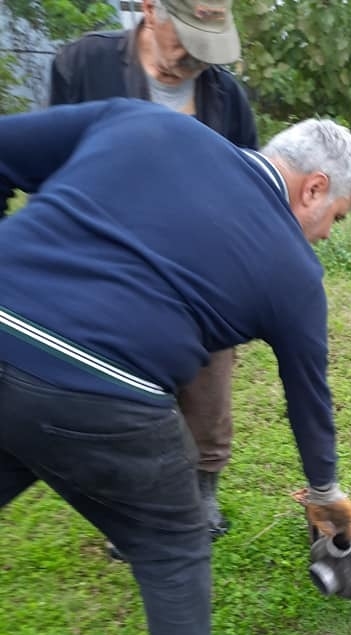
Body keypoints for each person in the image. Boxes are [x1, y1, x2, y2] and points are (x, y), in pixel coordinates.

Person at [0, 98, 351, 635]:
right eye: (331, 219)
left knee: (25, 432)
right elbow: (309, 398)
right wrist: (325, 492)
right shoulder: (295, 272)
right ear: (313, 187)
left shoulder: (146, 121)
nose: (325, 238)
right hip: (101, 388)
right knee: (173, 534)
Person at [49, 0, 259, 540]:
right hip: (110, 276)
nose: (196, 58)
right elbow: (52, 167)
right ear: (148, 8)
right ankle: (127, 514)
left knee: (209, 399)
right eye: (188, 38)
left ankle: (201, 492)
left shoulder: (226, 96)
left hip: (200, 280)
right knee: (120, 405)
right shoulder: (82, 67)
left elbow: (249, 190)